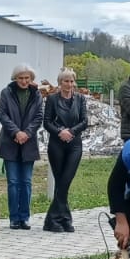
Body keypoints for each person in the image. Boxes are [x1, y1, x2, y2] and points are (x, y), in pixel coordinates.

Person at [0, 64, 43, 229]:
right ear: (15, 78)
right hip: (10, 142)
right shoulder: (6, 92)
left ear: (31, 79)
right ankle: (14, 218)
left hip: (28, 144)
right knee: (13, 182)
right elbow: (2, 114)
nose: (24, 81)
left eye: (27, 78)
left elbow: (39, 116)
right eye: (20, 78)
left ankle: (25, 216)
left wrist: (27, 133)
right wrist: (16, 132)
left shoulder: (36, 94)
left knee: (26, 182)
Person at [41, 68, 87, 233]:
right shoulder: (52, 99)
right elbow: (47, 122)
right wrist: (60, 132)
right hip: (57, 144)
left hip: (75, 145)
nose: (69, 84)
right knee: (60, 180)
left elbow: (84, 121)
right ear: (60, 83)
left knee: (65, 181)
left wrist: (71, 132)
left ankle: (52, 219)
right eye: (66, 81)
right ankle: (64, 219)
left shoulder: (80, 99)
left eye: (71, 81)